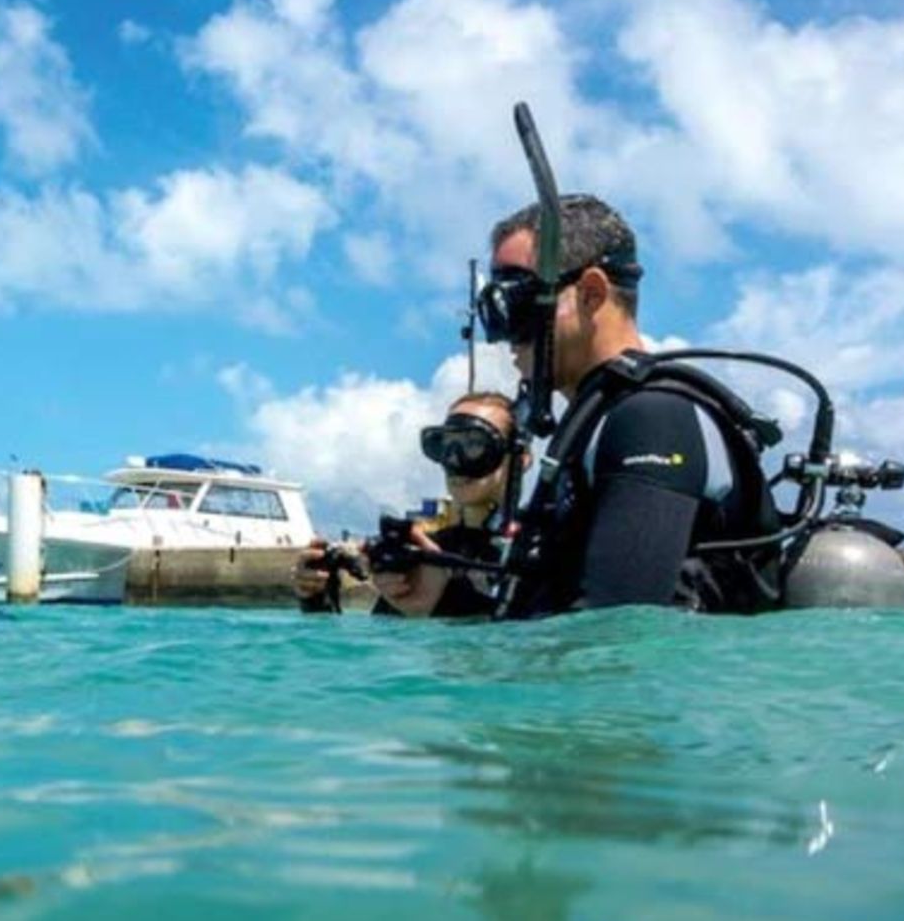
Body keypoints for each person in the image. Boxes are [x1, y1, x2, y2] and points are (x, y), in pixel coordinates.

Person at [479, 194, 781, 617]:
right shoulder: (593, 427)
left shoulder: (652, 420)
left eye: (518, 304)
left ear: (590, 293)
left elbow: (615, 635)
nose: (502, 333)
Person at [293, 390, 524, 619]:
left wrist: (442, 600)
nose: (454, 459)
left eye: (474, 443)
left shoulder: (540, 550)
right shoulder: (423, 554)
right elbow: (380, 643)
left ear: (521, 459)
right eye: (445, 445)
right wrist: (317, 597)